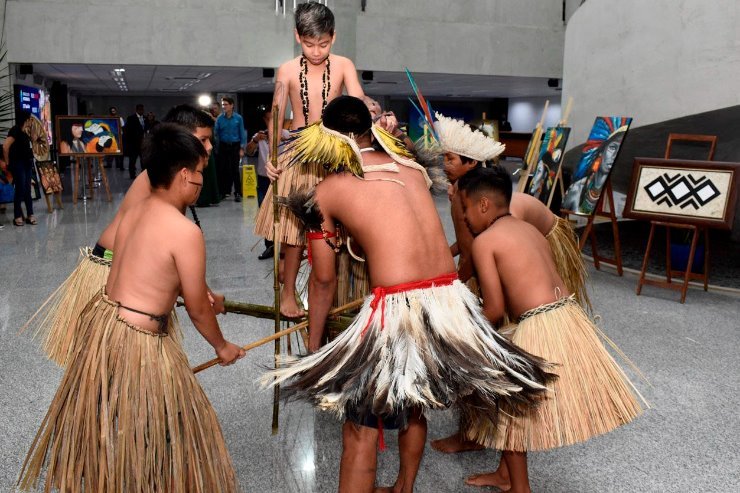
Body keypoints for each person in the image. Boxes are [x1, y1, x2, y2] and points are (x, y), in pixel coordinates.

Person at [263, 96, 553, 493]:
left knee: (360, 431)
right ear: (369, 130)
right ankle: (404, 487)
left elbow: (324, 281)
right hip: (452, 302)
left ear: (325, 141)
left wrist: (317, 352)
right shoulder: (412, 168)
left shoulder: (326, 191)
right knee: (414, 402)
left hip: (398, 307)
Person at [18, 124, 244, 492]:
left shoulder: (135, 211)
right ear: (184, 174)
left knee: (117, 422)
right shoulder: (186, 232)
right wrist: (222, 346)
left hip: (105, 325)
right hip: (138, 340)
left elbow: (156, 273)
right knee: (167, 428)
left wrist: (202, 294)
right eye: (200, 172)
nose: (202, 180)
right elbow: (198, 311)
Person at [457, 167, 643, 492]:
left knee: (511, 409)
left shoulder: (485, 242)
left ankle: (520, 487)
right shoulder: (529, 230)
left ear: (483, 204)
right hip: (567, 315)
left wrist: (462, 333)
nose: (463, 217)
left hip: (538, 323)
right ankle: (506, 475)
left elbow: (495, 309)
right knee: (518, 401)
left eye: (464, 209)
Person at [24, 104, 225, 367]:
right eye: (202, 140)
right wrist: (201, 297)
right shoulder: (157, 180)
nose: (208, 148)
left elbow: (172, 254)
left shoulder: (168, 180)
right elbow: (170, 253)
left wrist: (202, 291)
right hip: (110, 264)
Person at [253, 1, 365, 317]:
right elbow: (277, 115)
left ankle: (340, 291)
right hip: (299, 153)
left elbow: (357, 98)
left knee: (340, 232)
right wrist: (272, 156)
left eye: (324, 43)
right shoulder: (287, 70)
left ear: (334, 36)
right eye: (309, 43)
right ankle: (288, 294)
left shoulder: (344, 65)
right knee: (295, 233)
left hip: (335, 154)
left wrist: (372, 113)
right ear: (297, 36)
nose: (316, 51)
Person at [246, 105, 279, 259]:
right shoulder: (259, 136)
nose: (271, 122)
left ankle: (284, 246)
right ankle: (269, 246)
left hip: (280, 179)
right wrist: (254, 140)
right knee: (266, 214)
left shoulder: (284, 135)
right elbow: (248, 151)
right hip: (264, 180)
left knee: (282, 214)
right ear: (264, 120)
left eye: (273, 118)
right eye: (268, 119)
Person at [3, 111, 37, 226]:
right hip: (18, 163)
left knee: (27, 189)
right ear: (26, 120)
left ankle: (30, 214)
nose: (31, 121)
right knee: (20, 189)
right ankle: (17, 216)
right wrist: (8, 162)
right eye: (30, 119)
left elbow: (34, 140)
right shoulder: (15, 130)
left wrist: (32, 130)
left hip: (27, 163)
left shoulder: (25, 132)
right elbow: (5, 146)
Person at [214, 96, 247, 202]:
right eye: (223, 105)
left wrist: (242, 148)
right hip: (223, 145)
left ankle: (237, 192)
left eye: (226, 104)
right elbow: (216, 133)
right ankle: (224, 192)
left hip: (235, 145)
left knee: (234, 170)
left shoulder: (238, 118)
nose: (224, 106)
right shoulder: (220, 118)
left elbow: (242, 133)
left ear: (232, 105)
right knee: (223, 169)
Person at [124, 103, 146, 178]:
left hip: (143, 144)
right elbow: (127, 131)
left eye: (142, 109)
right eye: (140, 109)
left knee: (143, 161)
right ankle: (132, 175)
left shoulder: (145, 118)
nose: (141, 111)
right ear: (137, 110)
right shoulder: (131, 118)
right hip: (133, 144)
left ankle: (143, 175)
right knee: (132, 160)